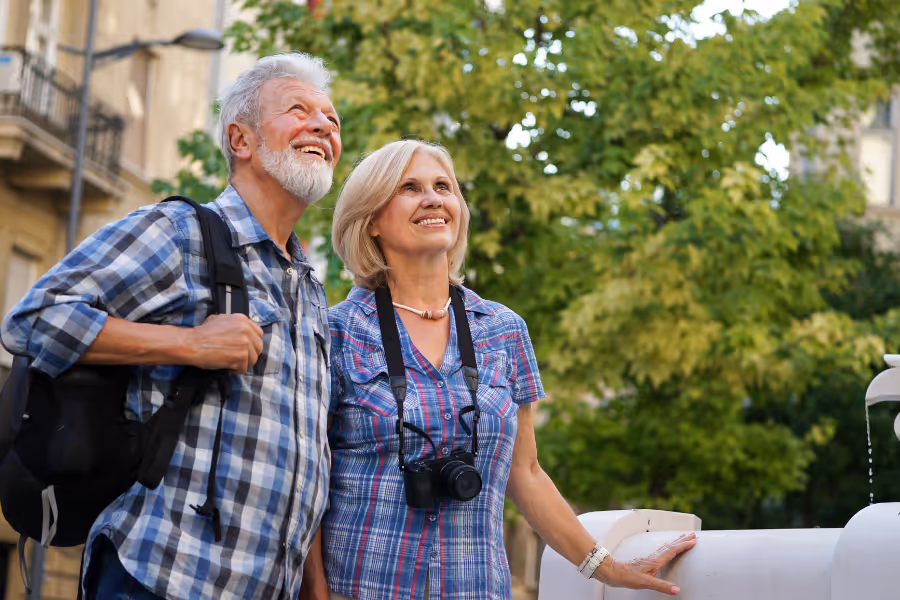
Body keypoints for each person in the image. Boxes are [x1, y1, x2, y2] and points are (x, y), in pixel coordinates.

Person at [0, 52, 340, 599]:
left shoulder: (310, 287)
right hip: (162, 574)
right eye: (300, 110)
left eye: (333, 119)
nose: (324, 125)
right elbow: (36, 319)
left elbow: (308, 456)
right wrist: (191, 344)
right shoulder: (180, 231)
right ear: (241, 140)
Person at [317, 140, 696, 600]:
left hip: (477, 589)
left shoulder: (501, 329)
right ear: (371, 219)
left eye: (444, 187)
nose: (434, 198)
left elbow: (527, 473)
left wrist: (607, 568)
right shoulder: (335, 331)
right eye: (410, 188)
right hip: (360, 588)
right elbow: (308, 486)